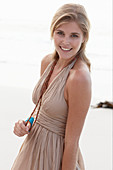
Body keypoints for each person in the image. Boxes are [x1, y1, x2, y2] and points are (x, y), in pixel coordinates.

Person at [12, 3, 91, 170]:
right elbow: (44, 109)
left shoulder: (79, 78)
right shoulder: (47, 62)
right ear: (52, 33)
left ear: (84, 38)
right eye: (60, 33)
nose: (66, 42)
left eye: (74, 35)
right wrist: (25, 124)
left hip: (56, 156)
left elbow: (72, 142)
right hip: (32, 147)